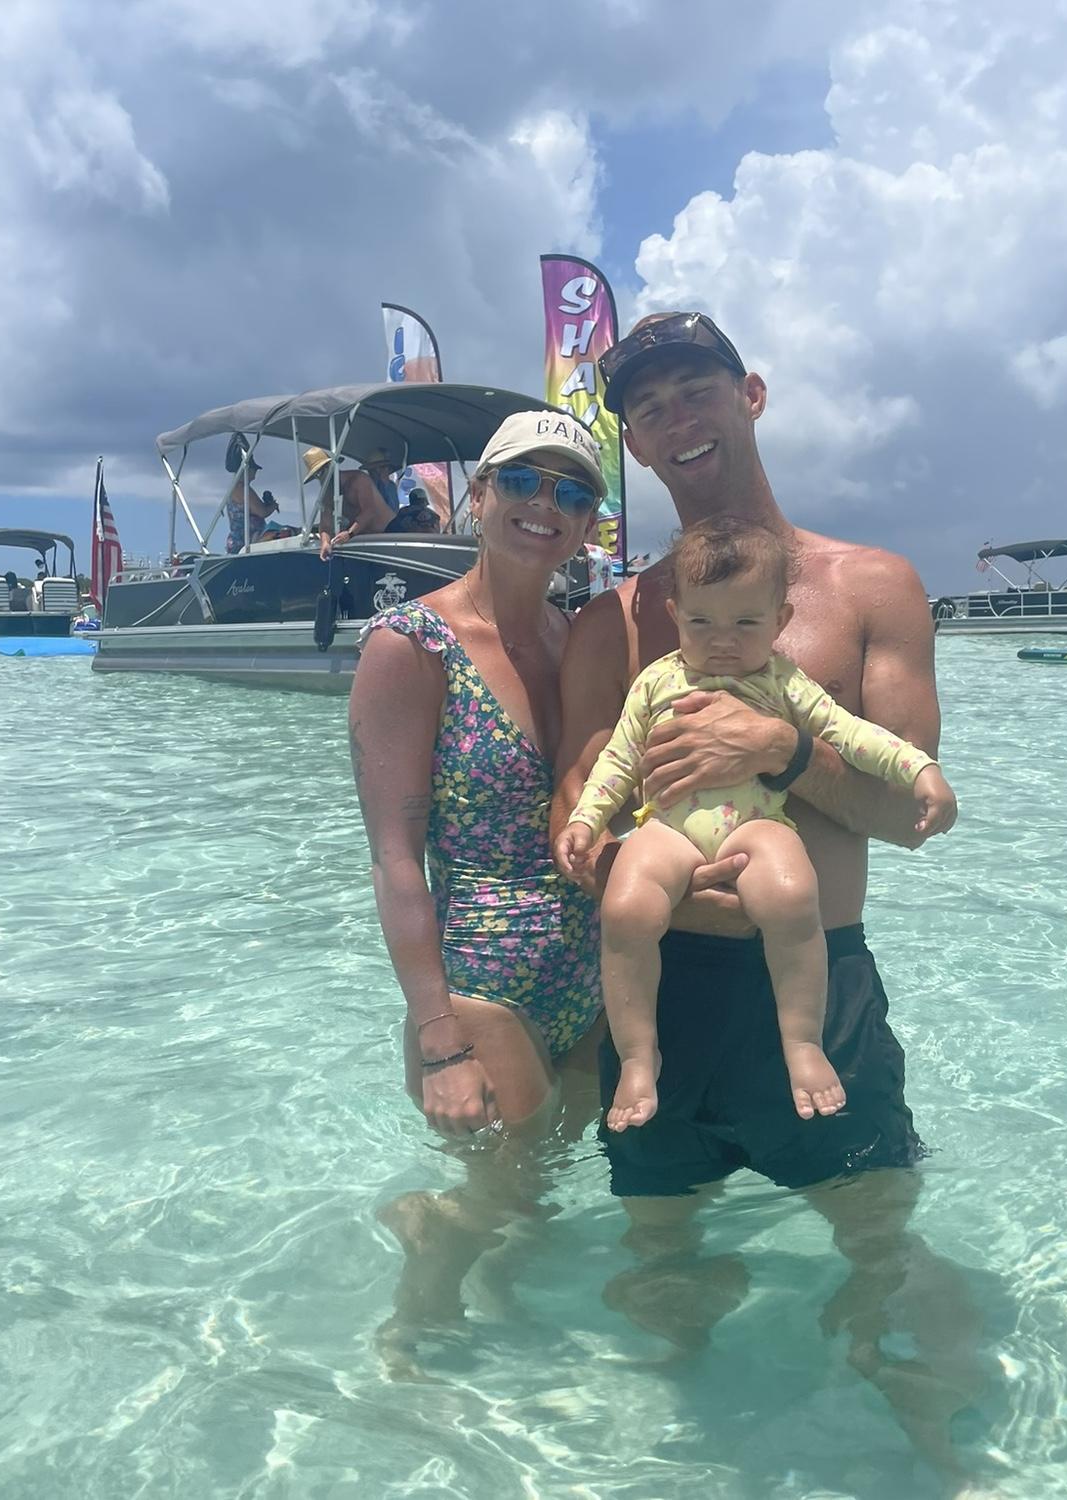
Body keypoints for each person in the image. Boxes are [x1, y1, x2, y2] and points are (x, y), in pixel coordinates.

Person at [552, 311, 979, 1481]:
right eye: (648, 411)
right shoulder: (614, 623)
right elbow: (576, 805)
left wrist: (780, 751)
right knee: (663, 1268)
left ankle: (948, 1461)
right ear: (636, 445)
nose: (675, 421)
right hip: (660, 999)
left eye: (695, 390)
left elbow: (907, 814)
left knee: (881, 1252)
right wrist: (613, 844)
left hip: (816, 978)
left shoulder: (871, 587)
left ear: (751, 395)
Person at [348, 410, 608, 1335]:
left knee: (543, 1193)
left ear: (589, 523)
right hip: (484, 981)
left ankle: (489, 1306)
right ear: (480, 494)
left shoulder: (582, 639)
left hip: (588, 973)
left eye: (572, 493)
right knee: (509, 1194)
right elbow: (394, 857)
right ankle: (410, 1340)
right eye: (525, 482)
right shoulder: (410, 645)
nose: (547, 505)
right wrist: (440, 1041)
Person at [555, 517, 940, 1129]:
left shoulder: (782, 681)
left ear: (780, 621)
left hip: (757, 822)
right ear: (676, 616)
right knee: (625, 908)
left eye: (745, 624)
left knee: (791, 894)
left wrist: (920, 769)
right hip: (669, 826)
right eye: (702, 622)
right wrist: (585, 820)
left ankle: (802, 1044)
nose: (723, 641)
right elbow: (618, 759)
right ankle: (637, 1056)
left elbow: (851, 734)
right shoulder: (656, 680)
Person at [224, 448, 276, 553]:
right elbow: (262, 512)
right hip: (247, 542)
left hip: (239, 541)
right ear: (247, 469)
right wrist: (273, 506)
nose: (256, 472)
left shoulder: (234, 488)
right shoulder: (242, 489)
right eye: (254, 469)